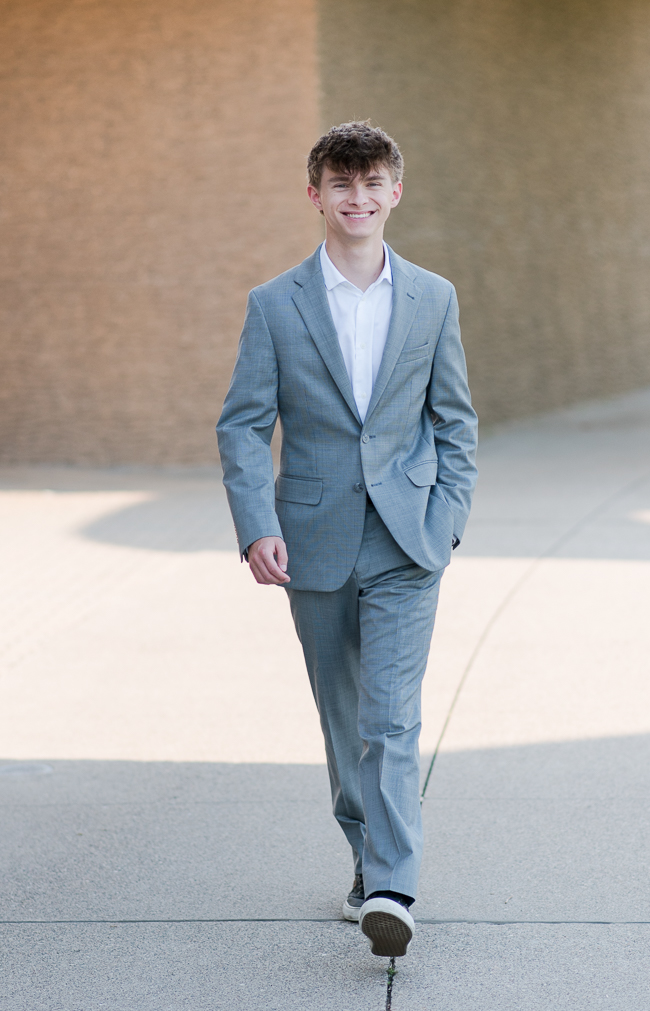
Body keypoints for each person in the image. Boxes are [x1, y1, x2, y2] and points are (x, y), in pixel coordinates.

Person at [217, 121, 478, 957]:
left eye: (372, 184)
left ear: (395, 192)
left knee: (392, 721)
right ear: (316, 195)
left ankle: (395, 886)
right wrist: (257, 524)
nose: (357, 199)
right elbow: (243, 425)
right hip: (313, 539)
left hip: (407, 541)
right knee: (344, 722)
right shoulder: (274, 304)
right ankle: (366, 861)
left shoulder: (433, 297)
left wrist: (447, 520)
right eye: (341, 184)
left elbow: (456, 420)